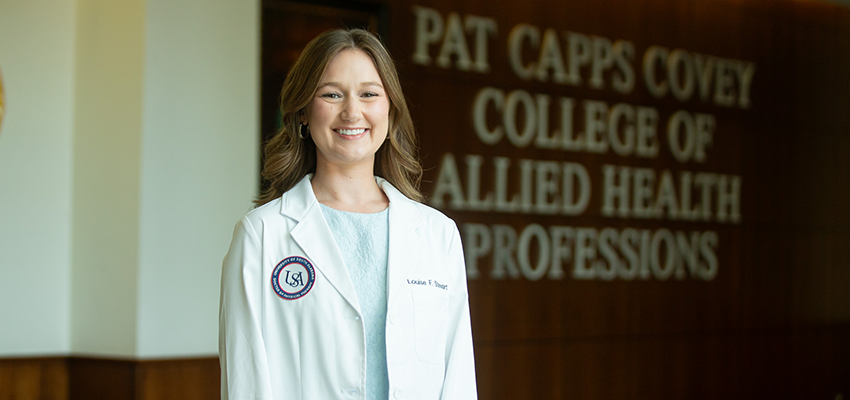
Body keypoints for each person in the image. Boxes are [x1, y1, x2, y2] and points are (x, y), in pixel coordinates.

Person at [219, 29, 477, 400]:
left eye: (369, 94)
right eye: (332, 94)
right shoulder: (261, 236)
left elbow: (458, 379)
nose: (352, 111)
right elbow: (245, 383)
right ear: (304, 112)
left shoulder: (438, 235)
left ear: (390, 110)